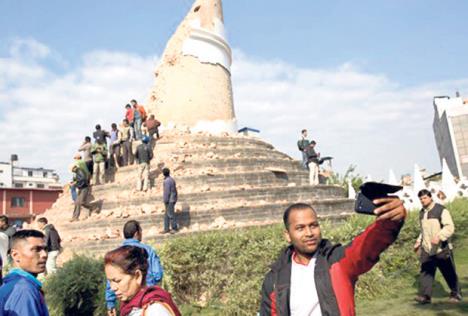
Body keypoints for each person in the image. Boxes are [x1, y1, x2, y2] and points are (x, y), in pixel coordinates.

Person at [260, 199, 407, 315]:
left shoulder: (336, 262)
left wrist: (390, 221)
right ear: (288, 235)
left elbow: (367, 246)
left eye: (314, 225)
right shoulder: (275, 279)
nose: (309, 233)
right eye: (300, 228)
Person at [105, 220, 164, 315]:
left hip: (128, 303)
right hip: (148, 298)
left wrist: (110, 303)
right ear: (137, 233)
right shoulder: (148, 250)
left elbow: (111, 282)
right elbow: (158, 275)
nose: (113, 287)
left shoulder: (117, 255)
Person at [413, 189, 462, 304]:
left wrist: (439, 236)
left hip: (441, 248)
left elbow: (450, 227)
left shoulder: (441, 210)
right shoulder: (421, 213)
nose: (422, 201)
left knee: (448, 272)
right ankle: (426, 296)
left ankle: (456, 294)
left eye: (424, 198)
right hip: (427, 248)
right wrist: (418, 241)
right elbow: (423, 230)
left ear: (430, 197)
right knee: (426, 272)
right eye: (420, 199)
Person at [105, 245, 179, 316]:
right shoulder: (129, 308)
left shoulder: (155, 310)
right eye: (110, 281)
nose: (113, 288)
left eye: (117, 281)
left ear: (137, 276)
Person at [0, 230, 49, 315]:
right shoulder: (24, 290)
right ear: (15, 255)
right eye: (37, 249)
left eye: (45, 249)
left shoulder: (12, 284)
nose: (44, 254)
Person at [161, 168, 178, 234]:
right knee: (166, 215)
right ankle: (166, 228)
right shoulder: (171, 180)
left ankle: (174, 228)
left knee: (170, 214)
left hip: (169, 200)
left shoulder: (167, 181)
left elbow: (167, 192)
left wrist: (165, 200)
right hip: (172, 198)